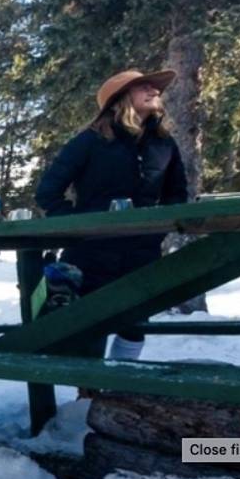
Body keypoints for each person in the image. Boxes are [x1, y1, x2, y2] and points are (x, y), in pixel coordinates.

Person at [34, 69, 189, 361]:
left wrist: (157, 229)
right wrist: (82, 226)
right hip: (91, 255)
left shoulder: (164, 143)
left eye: (155, 87)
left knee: (135, 324)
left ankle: (117, 394)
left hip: (142, 254)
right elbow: (48, 193)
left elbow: (176, 194)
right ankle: (87, 396)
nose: (154, 90)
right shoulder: (91, 140)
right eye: (143, 86)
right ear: (120, 98)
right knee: (92, 324)